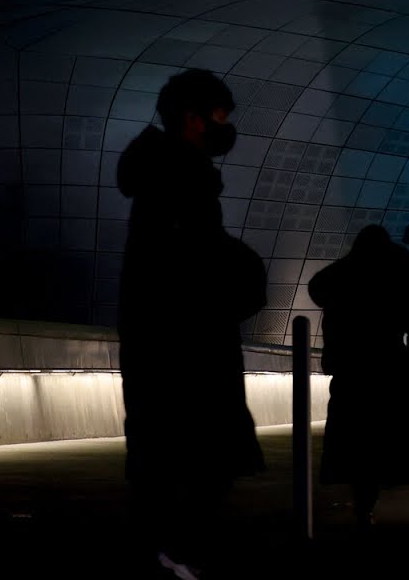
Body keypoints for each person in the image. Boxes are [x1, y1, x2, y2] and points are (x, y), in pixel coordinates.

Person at [117, 68, 267, 579]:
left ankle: (164, 547)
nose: (224, 129)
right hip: (190, 340)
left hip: (155, 337)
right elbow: (196, 255)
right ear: (192, 117)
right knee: (210, 452)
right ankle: (173, 549)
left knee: (162, 453)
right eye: (218, 118)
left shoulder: (157, 174)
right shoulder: (180, 179)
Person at [308, 225, 409, 524]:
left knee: (354, 434)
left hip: (352, 366)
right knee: (385, 435)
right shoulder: (401, 276)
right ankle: (371, 495)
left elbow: (317, 289)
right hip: (391, 365)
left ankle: (362, 498)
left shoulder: (343, 277)